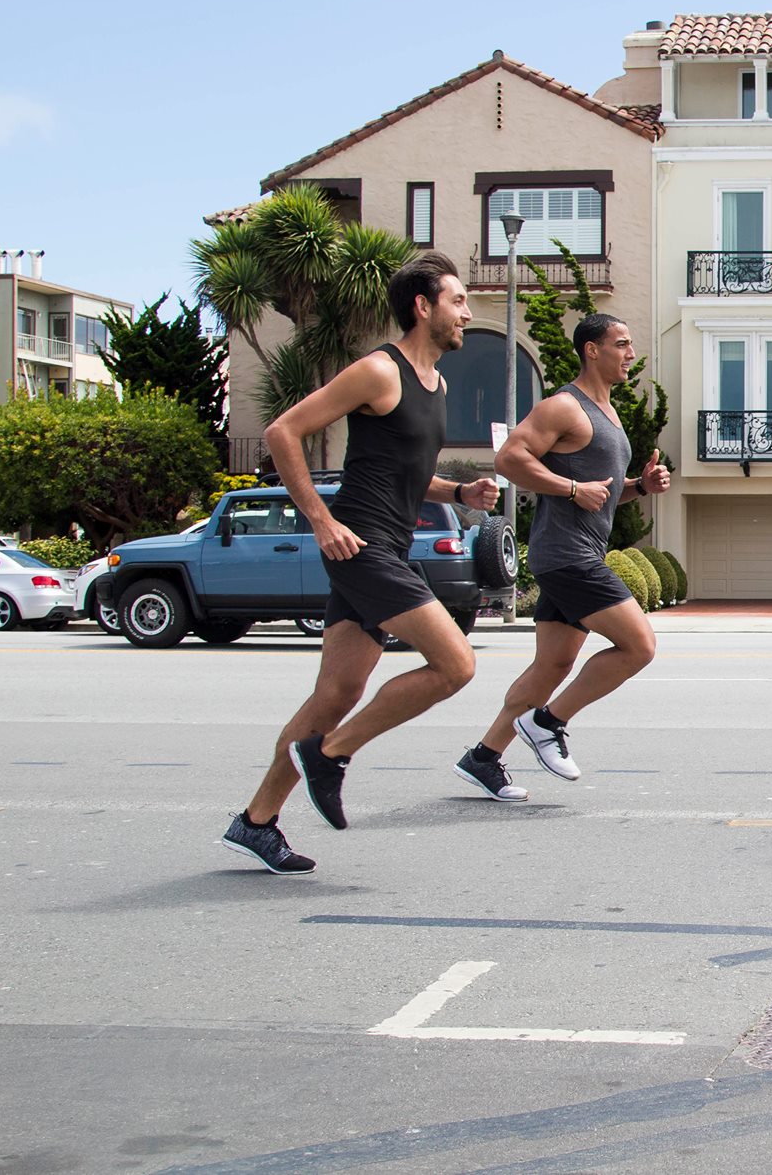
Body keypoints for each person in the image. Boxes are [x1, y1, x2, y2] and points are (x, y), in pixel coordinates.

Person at [220, 252, 500, 874]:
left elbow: (407, 473)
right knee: (456, 664)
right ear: (423, 307)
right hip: (361, 546)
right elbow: (282, 432)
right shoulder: (379, 370)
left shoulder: (437, 384)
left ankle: (256, 821)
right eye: (457, 301)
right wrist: (321, 520)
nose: (467, 312)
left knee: (337, 691)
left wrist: (460, 494)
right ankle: (331, 753)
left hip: (386, 546)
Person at [453, 314, 671, 801]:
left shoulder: (608, 413)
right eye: (622, 344)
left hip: (574, 553)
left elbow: (602, 493)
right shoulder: (564, 406)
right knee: (639, 646)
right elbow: (509, 458)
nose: (630, 353)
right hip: (569, 556)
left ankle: (484, 757)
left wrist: (638, 487)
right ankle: (548, 722)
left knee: (550, 667)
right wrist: (571, 488)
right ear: (592, 350)